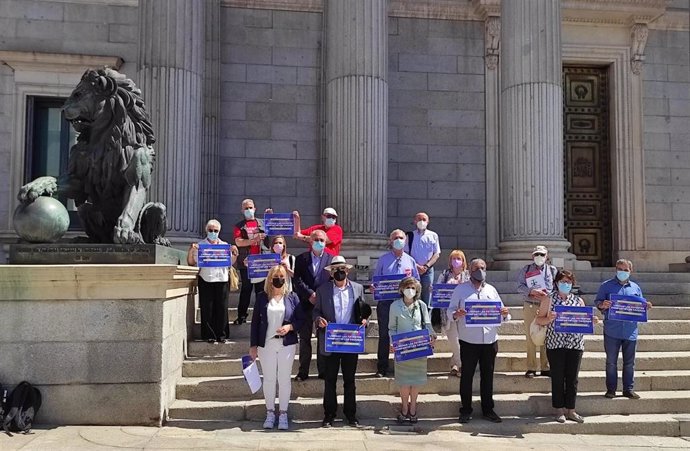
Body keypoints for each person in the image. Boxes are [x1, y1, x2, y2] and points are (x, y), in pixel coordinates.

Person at [447, 258, 510, 424]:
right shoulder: (461, 290)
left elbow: (504, 315)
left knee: (487, 376)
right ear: (470, 270)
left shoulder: (491, 290)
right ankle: (466, 410)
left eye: (482, 267)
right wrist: (456, 314)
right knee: (466, 376)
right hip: (469, 340)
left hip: (490, 340)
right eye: (476, 268)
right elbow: (450, 311)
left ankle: (488, 409)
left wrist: (504, 313)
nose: (479, 270)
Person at [313, 256, 371, 427]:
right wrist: (318, 320)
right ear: (331, 272)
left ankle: (350, 414)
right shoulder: (322, 290)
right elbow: (316, 312)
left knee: (350, 380)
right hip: (331, 340)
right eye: (335, 270)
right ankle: (329, 414)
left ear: (347, 271)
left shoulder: (358, 288)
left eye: (342, 269)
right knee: (330, 379)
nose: (339, 272)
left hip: (350, 340)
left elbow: (364, 311)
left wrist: (365, 320)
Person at [249, 265, 304, 430]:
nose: (279, 279)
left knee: (284, 378)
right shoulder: (262, 298)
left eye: (281, 276)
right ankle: (270, 412)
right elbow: (255, 323)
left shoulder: (292, 297)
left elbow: (301, 320)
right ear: (270, 279)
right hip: (266, 344)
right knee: (269, 378)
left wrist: (290, 327)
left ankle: (283, 413)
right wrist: (253, 345)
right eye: (275, 276)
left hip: (286, 344)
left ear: (285, 278)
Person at [535, 270, 593, 423]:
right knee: (558, 377)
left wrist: (591, 321)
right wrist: (548, 318)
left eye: (568, 282)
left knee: (572, 379)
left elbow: (583, 320)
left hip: (575, 344)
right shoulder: (549, 299)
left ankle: (571, 410)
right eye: (562, 281)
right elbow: (539, 320)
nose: (565, 284)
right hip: (556, 344)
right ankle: (559, 409)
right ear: (556, 283)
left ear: (572, 284)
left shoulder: (578, 300)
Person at [595, 259, 653, 400]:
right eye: (620, 269)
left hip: (630, 330)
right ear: (616, 269)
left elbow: (639, 305)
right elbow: (597, 302)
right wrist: (603, 305)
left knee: (629, 362)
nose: (623, 272)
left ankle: (628, 389)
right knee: (611, 362)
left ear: (630, 271)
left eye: (626, 270)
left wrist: (646, 306)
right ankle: (611, 389)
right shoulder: (606, 286)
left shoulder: (635, 288)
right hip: (612, 329)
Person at [372, 229, 420, 378]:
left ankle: (404, 365)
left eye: (401, 237)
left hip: (405, 302)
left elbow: (416, 281)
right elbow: (376, 280)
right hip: (386, 303)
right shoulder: (383, 259)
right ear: (390, 241)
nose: (398, 240)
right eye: (395, 238)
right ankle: (382, 367)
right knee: (385, 335)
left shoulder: (410, 260)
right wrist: (375, 287)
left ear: (405, 241)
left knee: (405, 334)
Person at [389, 277, 436, 424]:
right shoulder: (395, 306)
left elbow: (427, 324)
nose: (411, 291)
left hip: (419, 347)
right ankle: (404, 408)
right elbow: (392, 328)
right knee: (404, 381)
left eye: (414, 288)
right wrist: (392, 343)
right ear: (402, 289)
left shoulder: (421, 305)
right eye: (408, 287)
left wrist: (432, 335)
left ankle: (413, 407)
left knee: (415, 380)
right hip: (403, 348)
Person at [187, 219, 238, 343]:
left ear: (219, 231)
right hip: (206, 279)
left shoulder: (225, 245)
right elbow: (191, 262)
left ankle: (222, 335)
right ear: (206, 231)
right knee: (207, 308)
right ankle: (208, 335)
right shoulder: (200, 245)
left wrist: (235, 253)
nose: (213, 232)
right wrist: (191, 251)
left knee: (222, 308)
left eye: (215, 230)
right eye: (211, 230)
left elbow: (230, 262)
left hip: (222, 279)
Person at [293, 229, 334, 381]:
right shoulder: (301, 259)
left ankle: (322, 370)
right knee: (305, 339)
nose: (319, 242)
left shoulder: (331, 259)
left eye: (322, 240)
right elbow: (297, 280)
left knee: (322, 337)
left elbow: (332, 281)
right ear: (310, 241)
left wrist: (320, 296)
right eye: (316, 239)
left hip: (323, 305)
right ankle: (303, 371)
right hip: (305, 303)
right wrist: (310, 294)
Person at [517, 245, 557, 378]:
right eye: (537, 254)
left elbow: (556, 288)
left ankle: (545, 366)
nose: (539, 257)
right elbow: (520, 287)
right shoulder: (526, 269)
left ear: (547, 256)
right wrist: (532, 291)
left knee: (546, 335)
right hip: (530, 304)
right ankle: (531, 367)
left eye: (542, 255)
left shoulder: (552, 270)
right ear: (532, 256)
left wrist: (547, 294)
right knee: (531, 336)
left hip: (546, 304)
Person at [436, 249, 470, 377]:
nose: (456, 261)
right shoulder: (444, 275)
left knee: (462, 342)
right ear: (450, 261)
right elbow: (438, 291)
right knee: (454, 341)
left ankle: (455, 364)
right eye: (454, 259)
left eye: (459, 259)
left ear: (463, 261)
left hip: (463, 314)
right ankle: (461, 365)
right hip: (448, 314)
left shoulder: (468, 276)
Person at [234, 198, 268, 325]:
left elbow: (274, 233)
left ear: (255, 209)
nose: (248, 210)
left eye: (250, 207)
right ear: (242, 210)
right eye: (246, 208)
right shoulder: (239, 226)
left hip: (261, 261)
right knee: (246, 289)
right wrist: (254, 240)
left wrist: (270, 217)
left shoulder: (263, 223)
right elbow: (239, 242)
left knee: (261, 291)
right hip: (247, 262)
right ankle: (241, 316)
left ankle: (261, 316)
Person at [405, 212, 441, 306]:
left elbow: (436, 254)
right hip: (413, 270)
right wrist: (416, 266)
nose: (421, 221)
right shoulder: (410, 236)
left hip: (428, 270)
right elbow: (406, 254)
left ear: (428, 221)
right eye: (419, 219)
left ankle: (426, 318)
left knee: (427, 295)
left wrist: (426, 266)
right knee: (412, 293)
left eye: (424, 219)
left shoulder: (433, 235)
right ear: (415, 221)